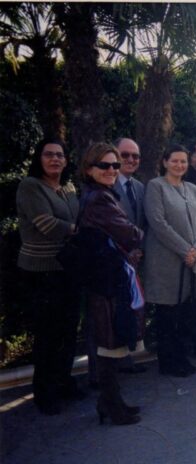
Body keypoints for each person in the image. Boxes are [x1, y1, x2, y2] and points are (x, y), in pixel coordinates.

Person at [78, 142, 144, 425]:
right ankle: (110, 404)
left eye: (115, 165)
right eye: (104, 165)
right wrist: (134, 234)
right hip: (106, 277)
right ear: (89, 168)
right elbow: (131, 234)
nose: (112, 170)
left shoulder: (97, 194)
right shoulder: (100, 199)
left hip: (104, 274)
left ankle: (111, 401)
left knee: (109, 339)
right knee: (108, 340)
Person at [16, 138, 81, 415]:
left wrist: (76, 228)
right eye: (49, 154)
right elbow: (46, 224)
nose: (55, 159)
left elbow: (75, 218)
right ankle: (45, 393)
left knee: (68, 330)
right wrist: (78, 230)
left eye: (60, 155)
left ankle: (64, 382)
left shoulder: (68, 187)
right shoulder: (30, 186)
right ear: (39, 158)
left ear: (66, 160)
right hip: (41, 272)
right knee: (48, 334)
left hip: (68, 269)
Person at [144, 145, 196, 377]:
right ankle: (168, 362)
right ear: (165, 162)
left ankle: (182, 358)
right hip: (166, 261)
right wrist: (186, 250)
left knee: (185, 313)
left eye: (183, 161)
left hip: (192, 261)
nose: (179, 165)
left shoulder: (193, 189)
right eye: (175, 161)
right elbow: (158, 223)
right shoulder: (156, 187)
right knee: (167, 314)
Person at [110, 137, 146, 376]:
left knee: (129, 310)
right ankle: (101, 373)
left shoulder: (140, 187)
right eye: (125, 155)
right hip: (113, 259)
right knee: (109, 315)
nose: (131, 160)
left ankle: (125, 360)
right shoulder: (105, 185)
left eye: (135, 156)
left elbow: (142, 223)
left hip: (135, 260)